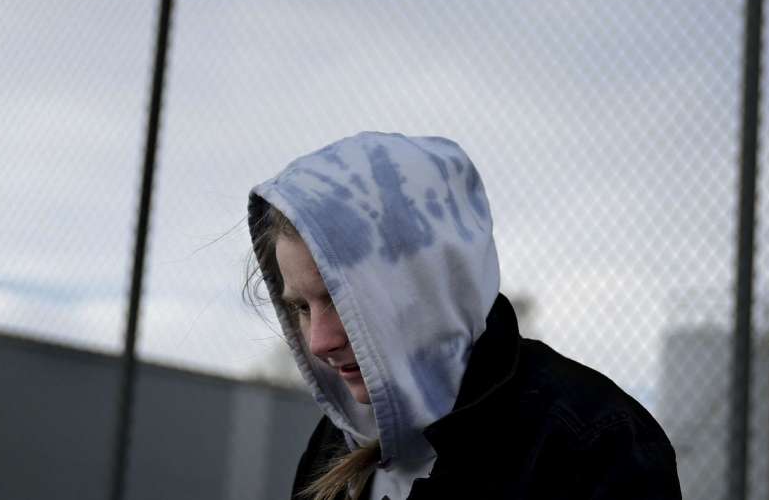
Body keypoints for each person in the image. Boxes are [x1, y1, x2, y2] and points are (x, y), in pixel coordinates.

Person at [246, 131, 681, 500]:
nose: (320, 341)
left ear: (429, 285)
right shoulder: (335, 445)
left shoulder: (589, 441)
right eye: (300, 308)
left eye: (342, 300)